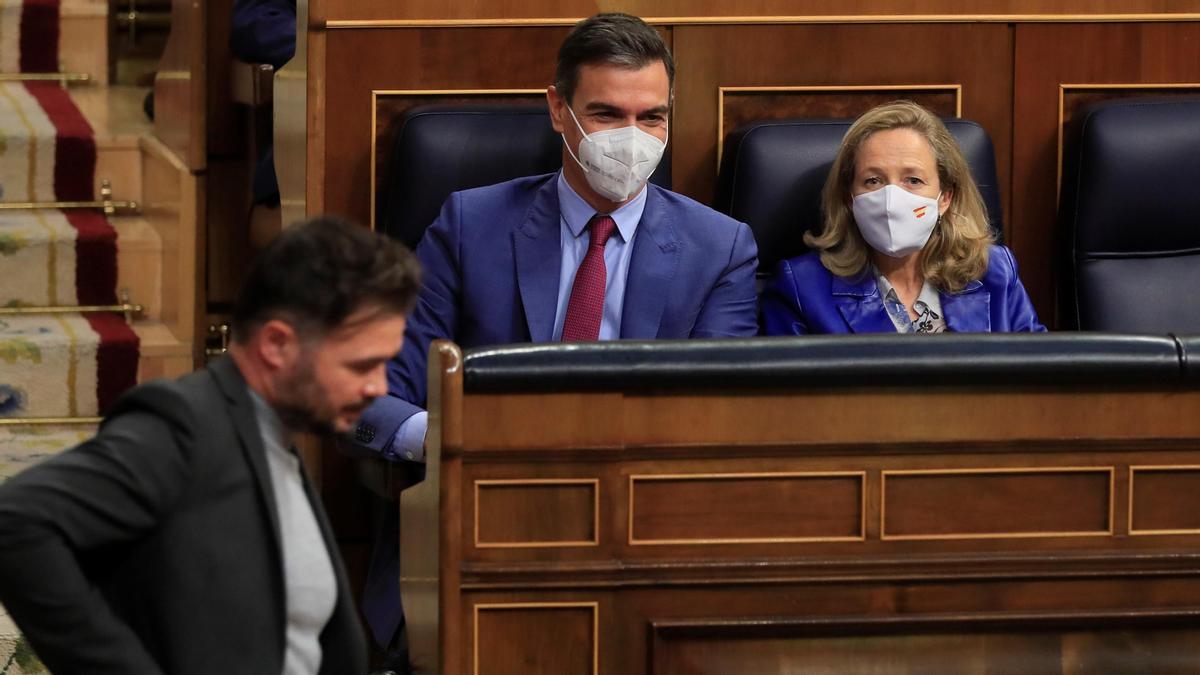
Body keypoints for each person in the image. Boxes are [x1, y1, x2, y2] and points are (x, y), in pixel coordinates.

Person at [349, 11, 759, 662]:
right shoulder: (470, 225)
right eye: (606, 114)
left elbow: (717, 419)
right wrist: (447, 438)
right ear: (557, 110)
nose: (633, 138)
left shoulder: (720, 248)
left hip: (643, 545)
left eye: (651, 117)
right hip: (482, 531)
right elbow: (370, 392)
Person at [0, 217, 421, 675]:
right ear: (277, 344)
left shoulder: (273, 435)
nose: (378, 388)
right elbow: (16, 521)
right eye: (362, 366)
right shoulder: (184, 424)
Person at [761, 101, 1045, 334]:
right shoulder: (802, 287)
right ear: (850, 199)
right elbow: (785, 399)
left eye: (913, 180)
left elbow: (1037, 382)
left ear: (945, 197)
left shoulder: (995, 273)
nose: (891, 199)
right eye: (873, 181)